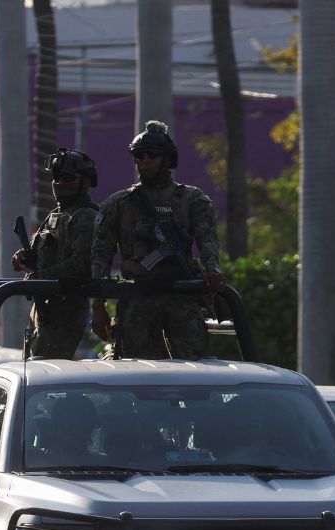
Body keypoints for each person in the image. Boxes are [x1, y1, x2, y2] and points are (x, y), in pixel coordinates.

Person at [90, 120, 226, 360]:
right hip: (137, 297)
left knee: (196, 368)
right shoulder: (119, 204)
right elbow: (101, 254)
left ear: (167, 159)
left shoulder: (192, 199)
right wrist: (98, 305)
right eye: (139, 155)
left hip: (181, 295)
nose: (145, 161)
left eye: (152, 155)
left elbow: (207, 241)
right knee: (137, 371)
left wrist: (213, 271)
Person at [12, 148, 99, 359]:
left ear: (86, 181)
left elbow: (81, 264)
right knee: (33, 364)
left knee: (47, 367)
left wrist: (40, 278)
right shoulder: (56, 214)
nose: (60, 184)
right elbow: (42, 253)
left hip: (66, 309)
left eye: (68, 178)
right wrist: (23, 258)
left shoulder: (86, 216)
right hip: (44, 306)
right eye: (56, 177)